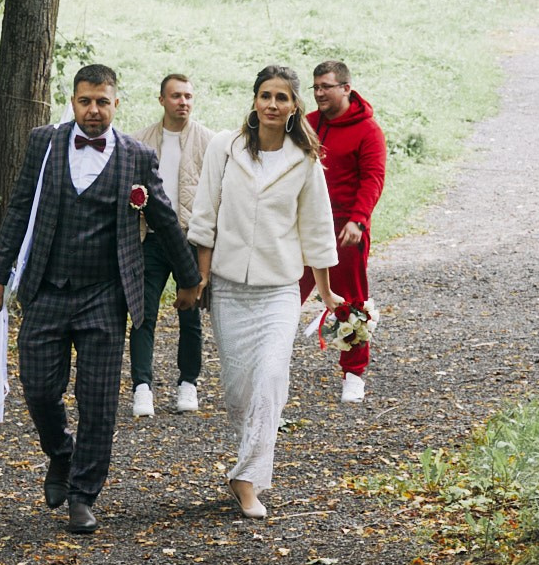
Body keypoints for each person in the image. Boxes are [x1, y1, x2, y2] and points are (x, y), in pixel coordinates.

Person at [0, 65, 200, 536]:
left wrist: (188, 279)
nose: (93, 110)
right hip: (47, 290)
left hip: (105, 294)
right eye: (85, 101)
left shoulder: (137, 155)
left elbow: (161, 216)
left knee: (98, 400)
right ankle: (61, 452)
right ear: (73, 101)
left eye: (102, 101)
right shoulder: (44, 143)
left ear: (116, 103)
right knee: (38, 389)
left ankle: (83, 494)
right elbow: (20, 208)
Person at [185, 65, 342, 520]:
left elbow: (316, 230)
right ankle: (246, 462)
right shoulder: (225, 147)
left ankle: (248, 479)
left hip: (278, 291)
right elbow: (205, 214)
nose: (273, 104)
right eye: (266, 95)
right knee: (240, 391)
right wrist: (201, 277)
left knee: (271, 379)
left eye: (283, 98)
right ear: (255, 100)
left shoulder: (305, 161)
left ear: (295, 107)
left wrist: (327, 293)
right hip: (230, 290)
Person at [129, 72, 217, 417]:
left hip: (190, 238)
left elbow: (215, 195)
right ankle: (142, 387)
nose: (183, 102)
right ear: (162, 99)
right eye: (176, 96)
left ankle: (188, 384)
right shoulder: (139, 142)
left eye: (189, 96)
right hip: (149, 238)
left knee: (190, 316)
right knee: (142, 314)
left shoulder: (209, 142)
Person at [304, 58, 386, 403]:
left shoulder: (368, 131)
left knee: (350, 301)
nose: (320, 93)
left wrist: (358, 219)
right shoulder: (307, 124)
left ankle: (354, 373)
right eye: (316, 87)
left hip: (345, 228)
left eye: (326, 87)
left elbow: (373, 179)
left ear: (346, 88)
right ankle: (268, 364)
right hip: (306, 224)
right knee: (285, 291)